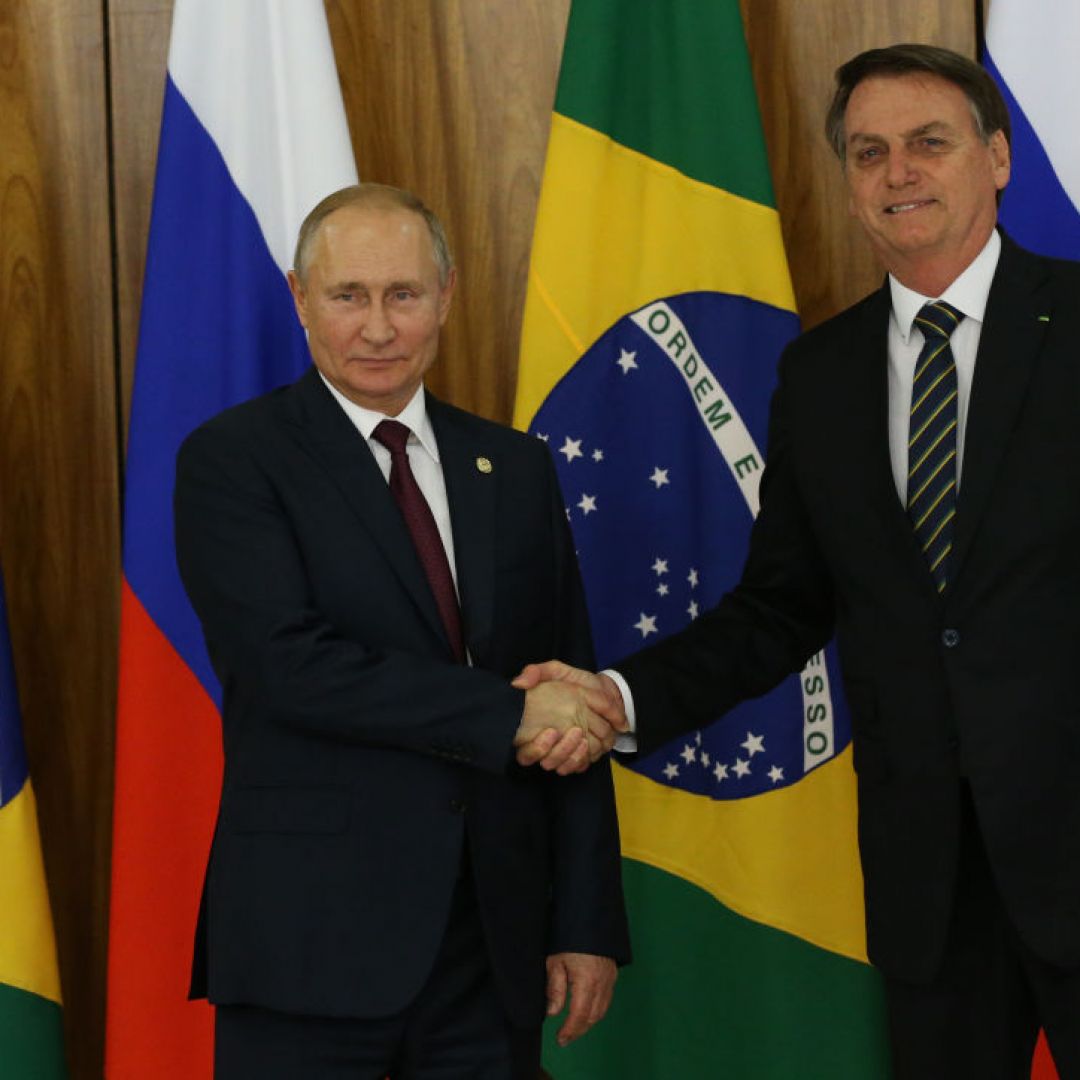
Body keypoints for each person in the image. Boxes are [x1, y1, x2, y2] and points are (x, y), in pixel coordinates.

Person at [516, 43, 1080, 1079]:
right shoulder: (820, 374)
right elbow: (778, 608)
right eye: (869, 153)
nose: (898, 172)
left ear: (998, 158)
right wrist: (615, 697)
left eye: (928, 143)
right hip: (930, 881)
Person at [174, 182, 630, 1079]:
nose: (378, 327)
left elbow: (566, 685)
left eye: (403, 295)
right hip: (312, 947)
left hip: (488, 946)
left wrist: (584, 921)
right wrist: (509, 716)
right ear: (302, 301)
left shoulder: (516, 466)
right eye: (348, 296)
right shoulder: (234, 459)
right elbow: (285, 665)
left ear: (447, 296)